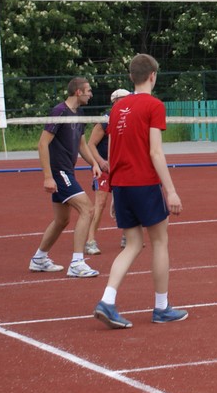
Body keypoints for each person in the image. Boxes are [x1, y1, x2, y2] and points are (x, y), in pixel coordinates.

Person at [93, 54, 187, 329]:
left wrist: (111, 188)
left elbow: (112, 150)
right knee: (159, 242)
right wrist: (170, 190)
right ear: (153, 76)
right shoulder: (153, 105)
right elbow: (155, 151)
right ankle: (161, 308)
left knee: (133, 244)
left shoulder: (118, 108)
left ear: (131, 77)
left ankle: (107, 300)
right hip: (143, 183)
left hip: (121, 185)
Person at [30, 77, 102, 278]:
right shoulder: (59, 111)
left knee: (62, 220)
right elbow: (42, 144)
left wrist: (94, 163)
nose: (91, 94)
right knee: (87, 209)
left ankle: (39, 259)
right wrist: (47, 177)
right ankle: (77, 263)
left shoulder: (79, 113)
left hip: (67, 171)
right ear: (78, 92)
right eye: (88, 90)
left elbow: (81, 145)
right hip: (59, 172)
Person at [85, 88, 131, 256]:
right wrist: (101, 162)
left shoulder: (127, 119)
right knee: (101, 202)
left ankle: (127, 236)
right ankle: (90, 240)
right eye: (125, 99)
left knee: (126, 202)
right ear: (116, 101)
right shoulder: (105, 120)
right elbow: (90, 144)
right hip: (104, 168)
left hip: (121, 167)